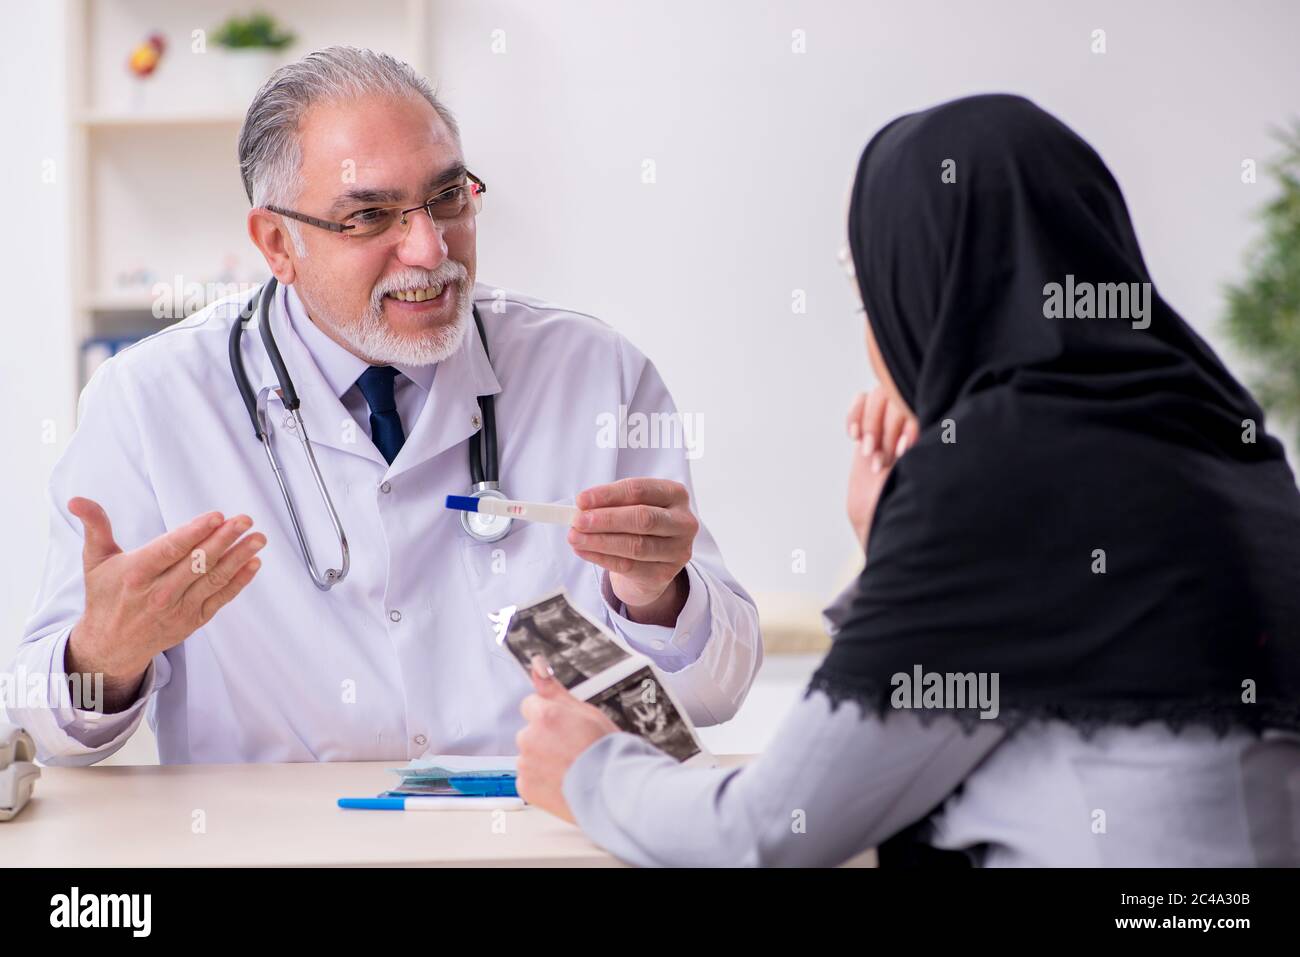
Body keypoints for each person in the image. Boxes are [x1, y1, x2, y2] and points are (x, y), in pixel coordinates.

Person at [513, 94, 1300, 866]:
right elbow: (929, 730)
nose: (874, 339)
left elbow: (767, 832)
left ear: (930, 294)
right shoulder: (1234, 448)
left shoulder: (1002, 475)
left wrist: (591, 770)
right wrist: (887, 541)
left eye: (870, 298)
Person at [8, 47, 760, 766]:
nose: (431, 250)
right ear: (276, 242)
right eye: (370, 217)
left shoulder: (597, 375)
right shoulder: (150, 400)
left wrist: (658, 592)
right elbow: (46, 727)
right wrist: (103, 656)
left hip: (536, 836)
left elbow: (718, 690)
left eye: (446, 196)